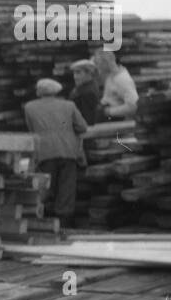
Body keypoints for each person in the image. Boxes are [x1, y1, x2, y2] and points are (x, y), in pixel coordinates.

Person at [22, 78, 88, 227]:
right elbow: (82, 127)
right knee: (66, 190)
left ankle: (39, 220)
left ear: (39, 91)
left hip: (45, 152)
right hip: (68, 151)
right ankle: (63, 225)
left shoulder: (29, 107)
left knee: (45, 188)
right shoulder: (69, 105)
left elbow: (31, 129)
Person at [92, 48, 138, 120]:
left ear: (106, 62)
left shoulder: (122, 79)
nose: (97, 67)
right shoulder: (111, 76)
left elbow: (133, 107)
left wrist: (108, 111)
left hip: (115, 120)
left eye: (98, 63)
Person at [69, 59, 100, 127]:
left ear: (89, 73)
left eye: (78, 73)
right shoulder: (83, 88)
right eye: (74, 73)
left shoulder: (88, 92)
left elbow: (87, 120)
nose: (75, 77)